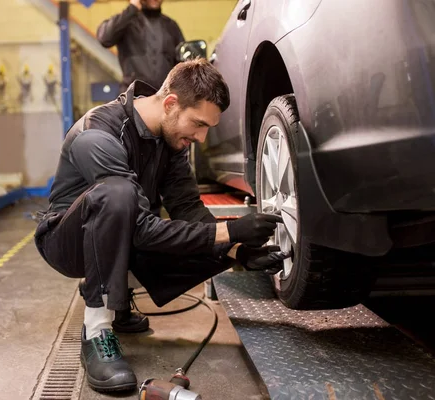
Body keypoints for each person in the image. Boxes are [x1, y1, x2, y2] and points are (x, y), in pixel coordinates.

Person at [34, 59, 287, 393]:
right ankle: (96, 332)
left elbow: (188, 210)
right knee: (119, 194)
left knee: (211, 240)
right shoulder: (99, 131)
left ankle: (119, 302)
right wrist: (231, 231)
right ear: (170, 103)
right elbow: (137, 226)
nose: (200, 136)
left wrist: (238, 251)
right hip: (68, 245)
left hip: (124, 234)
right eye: (198, 124)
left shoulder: (170, 143)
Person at [97, 0, 185, 92]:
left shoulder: (171, 26)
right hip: (133, 97)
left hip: (164, 97)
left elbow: (182, 64)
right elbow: (105, 38)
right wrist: (132, 8)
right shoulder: (127, 22)